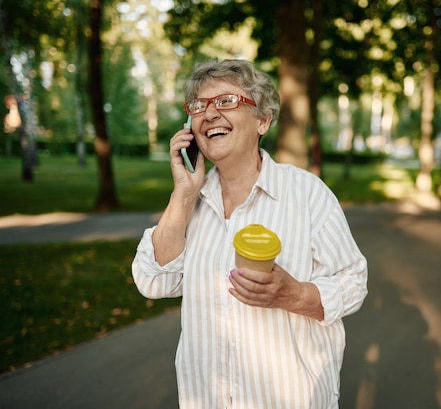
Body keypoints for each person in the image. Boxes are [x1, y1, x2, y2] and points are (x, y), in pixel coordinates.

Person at [132, 59, 368, 408]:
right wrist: (183, 194)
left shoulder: (306, 193)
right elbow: (153, 280)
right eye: (199, 106)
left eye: (226, 101)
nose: (209, 114)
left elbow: (353, 282)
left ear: (263, 120)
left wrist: (292, 294)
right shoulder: (190, 203)